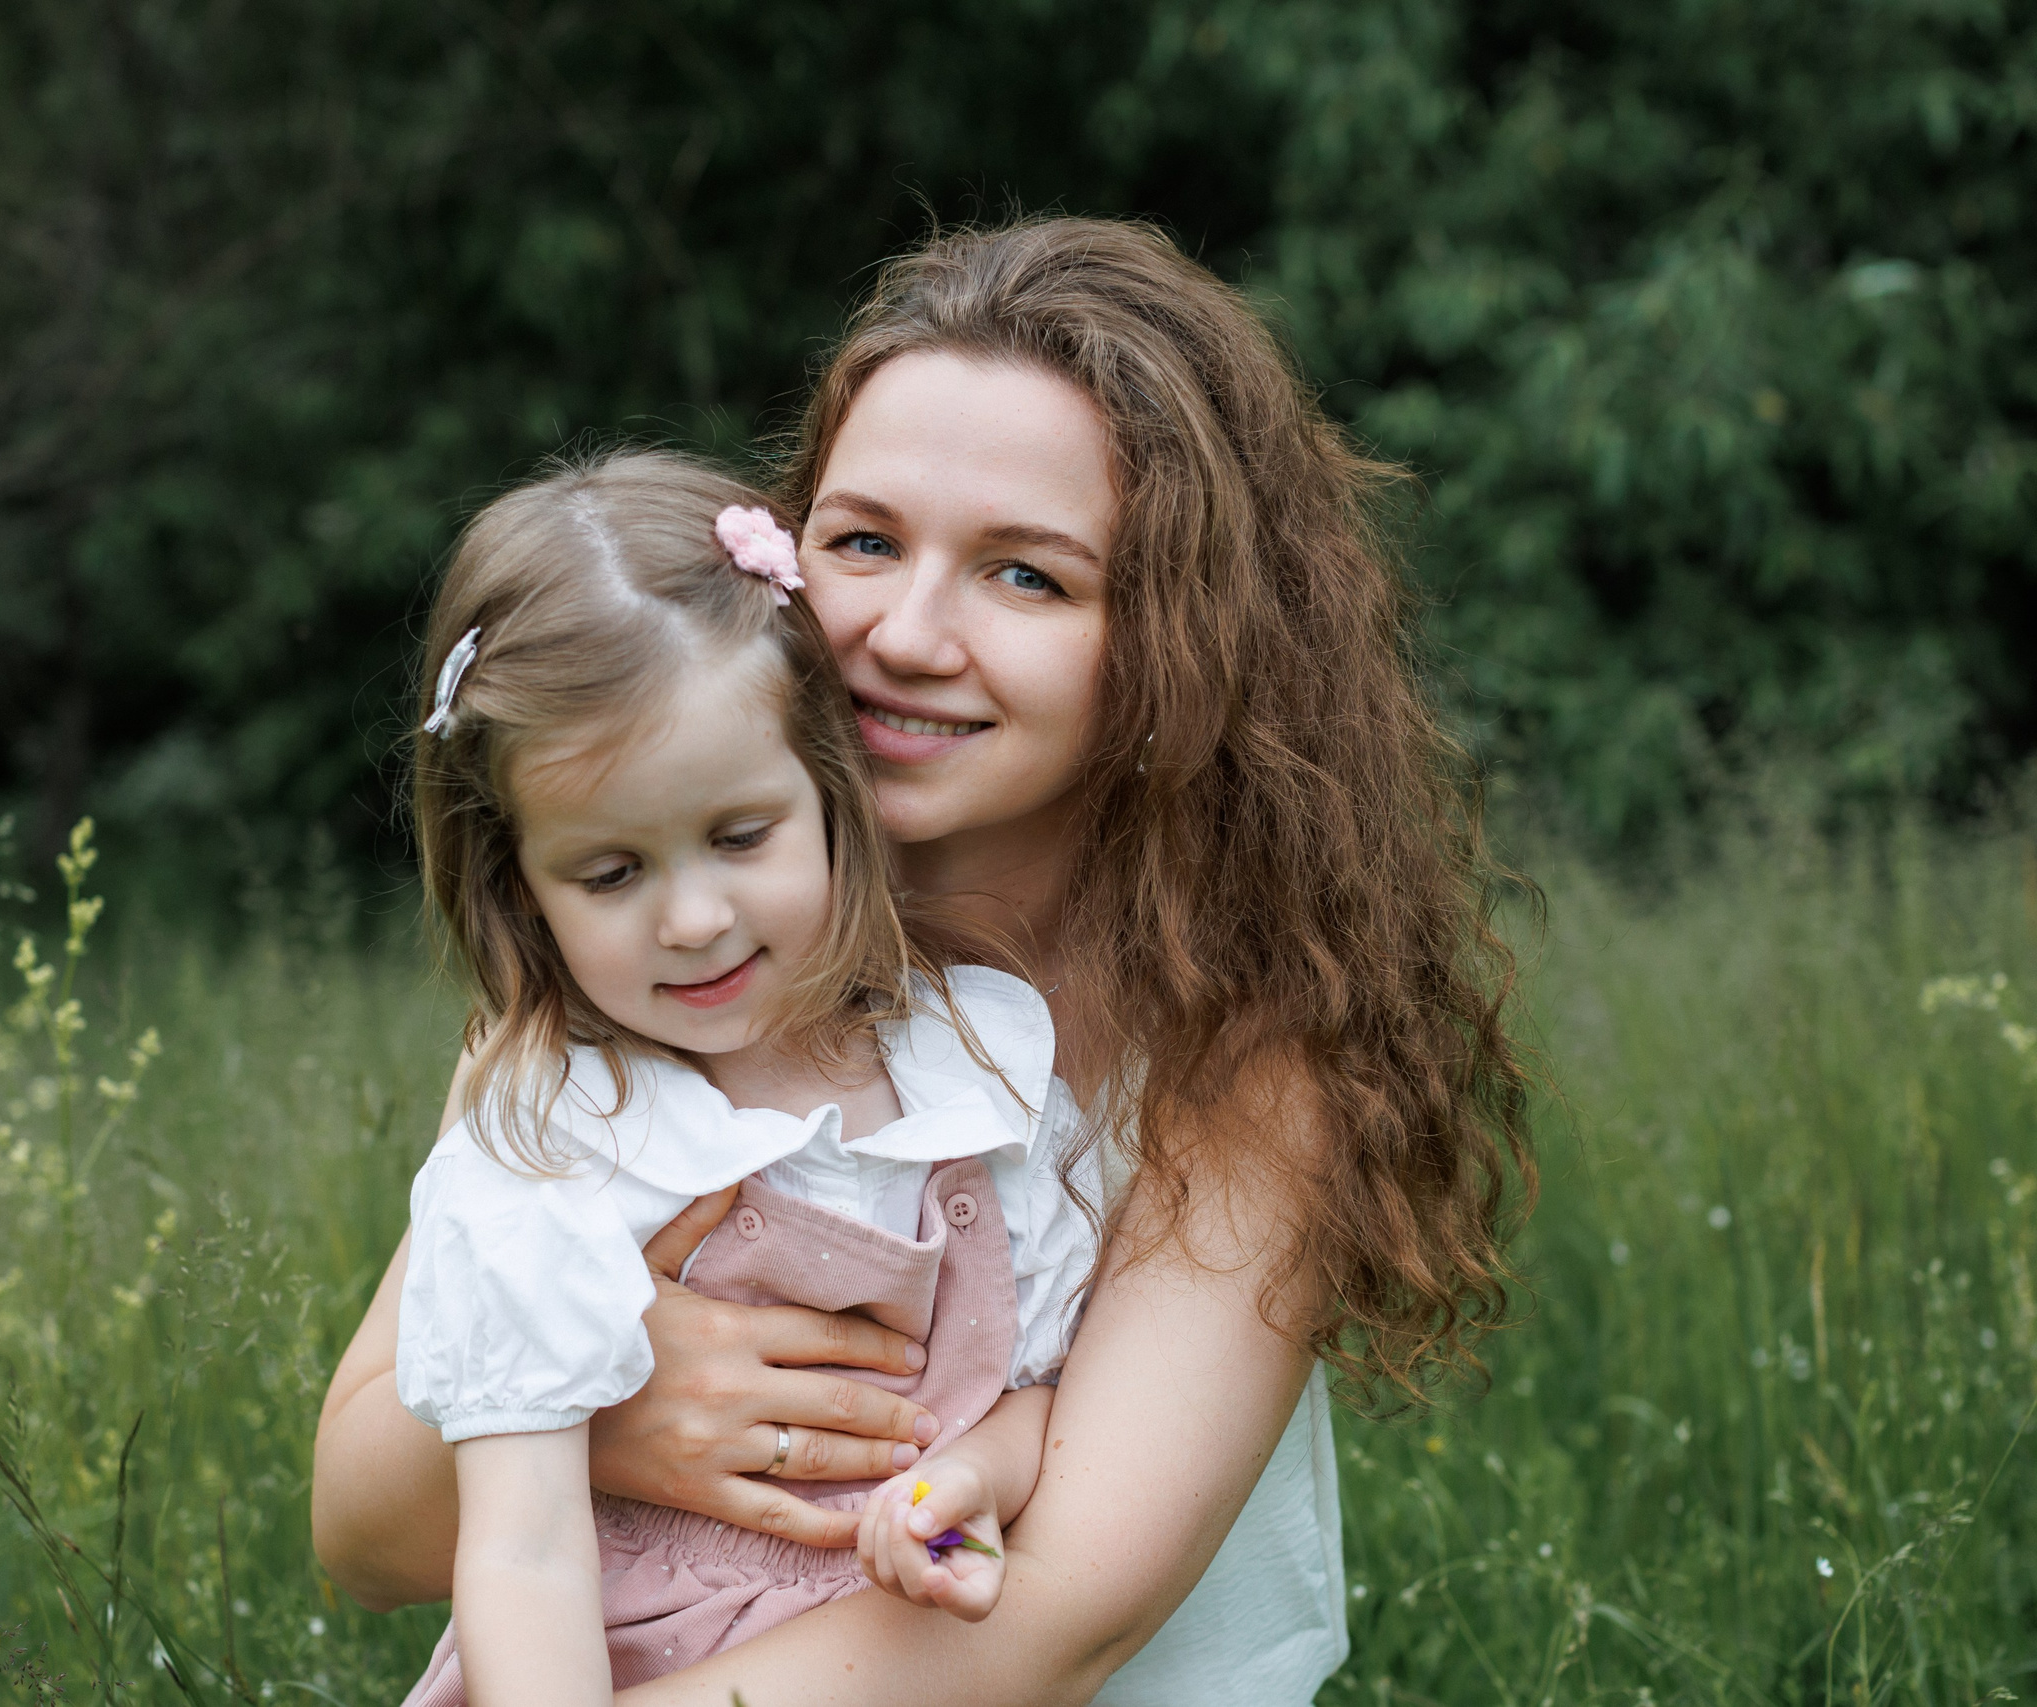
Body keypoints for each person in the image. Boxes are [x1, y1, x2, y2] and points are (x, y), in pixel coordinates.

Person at [315, 216, 1532, 1706]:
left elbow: (1051, 1619)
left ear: (1176, 637)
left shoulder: (1244, 1043)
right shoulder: (658, 968)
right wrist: (618, 1410)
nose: (903, 631)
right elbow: (363, 1525)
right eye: (865, 540)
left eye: (1027, 577)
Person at [389, 448, 1104, 1707]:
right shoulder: (557, 1138)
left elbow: (1043, 1393)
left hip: (893, 1663)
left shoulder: (974, 1065)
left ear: (830, 792)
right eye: (610, 874)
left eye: (738, 837)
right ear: (521, 888)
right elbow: (522, 1544)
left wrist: (968, 1486)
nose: (693, 918)